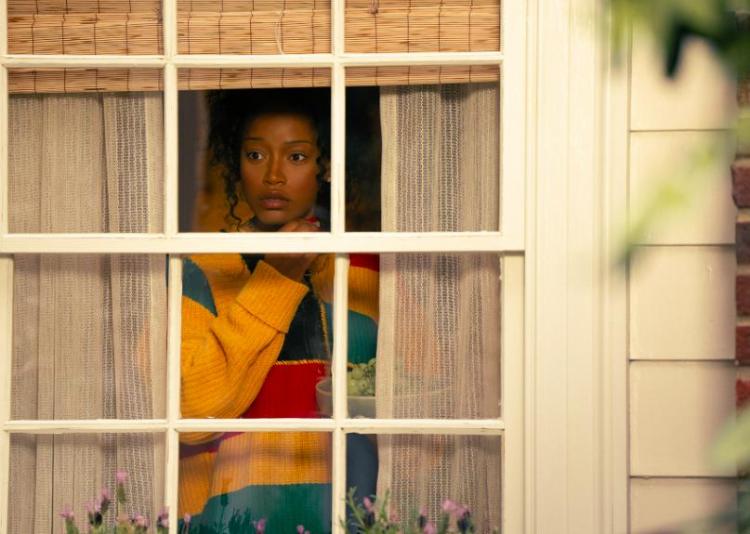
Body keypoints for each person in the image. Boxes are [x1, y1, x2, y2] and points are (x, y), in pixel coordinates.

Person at [177, 88, 379, 533]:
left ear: (326, 166)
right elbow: (191, 416)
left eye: (296, 157)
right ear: (236, 163)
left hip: (350, 515)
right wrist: (277, 277)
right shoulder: (200, 270)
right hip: (229, 520)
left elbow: (427, 399)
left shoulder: (368, 270)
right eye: (255, 155)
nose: (272, 176)